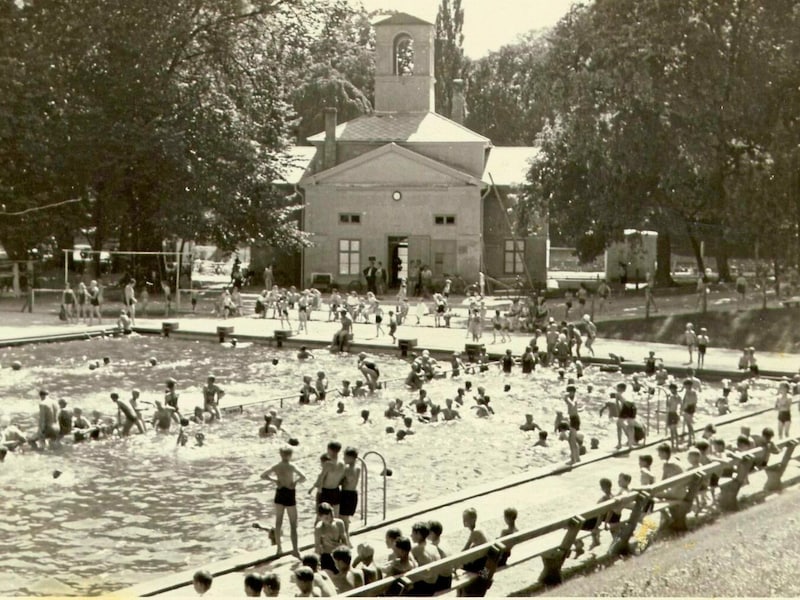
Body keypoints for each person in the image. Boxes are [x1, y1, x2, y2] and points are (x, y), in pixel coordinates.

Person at [261, 446, 307, 558]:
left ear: (280, 454)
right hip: (290, 493)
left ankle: (279, 549)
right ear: (290, 455)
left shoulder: (277, 466)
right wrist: (295, 482)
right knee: (293, 524)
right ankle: (295, 549)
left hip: (280, 492)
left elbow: (263, 475)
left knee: (278, 522)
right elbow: (304, 477)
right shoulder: (292, 466)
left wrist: (275, 480)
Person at [310, 441, 345, 516]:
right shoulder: (342, 463)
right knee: (335, 515)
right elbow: (342, 479)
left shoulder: (328, 464)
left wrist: (316, 489)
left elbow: (321, 478)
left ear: (329, 450)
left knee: (321, 516)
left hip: (326, 491)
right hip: (336, 490)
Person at [314, 502, 350, 573]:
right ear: (320, 517)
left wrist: (347, 555)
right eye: (326, 518)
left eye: (331, 516)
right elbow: (317, 546)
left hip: (339, 554)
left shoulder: (339, 523)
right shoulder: (319, 528)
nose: (330, 519)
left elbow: (344, 540)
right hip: (327, 555)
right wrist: (317, 563)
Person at [409, 522, 439, 595]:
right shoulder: (433, 547)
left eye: (413, 533)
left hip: (424, 586)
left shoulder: (416, 549)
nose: (411, 535)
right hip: (435, 584)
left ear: (419, 534)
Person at [339, 447, 361, 534]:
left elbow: (340, 482)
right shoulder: (358, 468)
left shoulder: (346, 469)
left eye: (345, 457)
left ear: (351, 458)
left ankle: (345, 538)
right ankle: (347, 537)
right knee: (346, 518)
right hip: (353, 494)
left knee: (342, 518)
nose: (343, 459)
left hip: (345, 494)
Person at [460, 508, 488, 573]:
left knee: (460, 564)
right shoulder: (479, 528)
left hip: (481, 566)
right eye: (463, 519)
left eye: (466, 519)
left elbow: (465, 549)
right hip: (485, 562)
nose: (463, 521)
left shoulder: (475, 532)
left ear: (473, 520)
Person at [682, 379, 698, 446]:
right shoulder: (693, 392)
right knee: (689, 424)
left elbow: (686, 401)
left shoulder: (689, 392)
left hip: (688, 408)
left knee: (689, 425)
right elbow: (695, 401)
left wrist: (684, 408)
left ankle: (691, 440)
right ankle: (692, 438)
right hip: (691, 408)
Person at [665, 382, 681, 450]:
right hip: (673, 413)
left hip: (672, 413)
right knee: (673, 430)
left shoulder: (673, 397)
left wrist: (668, 398)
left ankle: (675, 445)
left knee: (673, 430)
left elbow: (669, 405)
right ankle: (674, 445)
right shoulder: (676, 396)